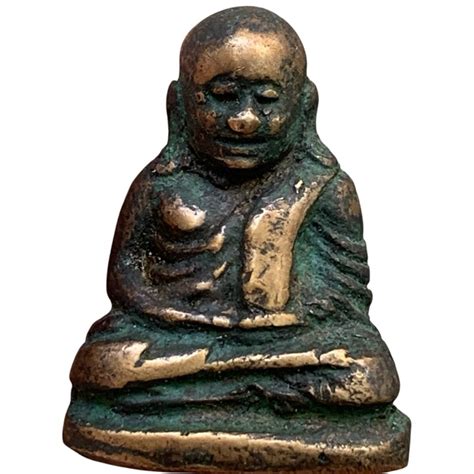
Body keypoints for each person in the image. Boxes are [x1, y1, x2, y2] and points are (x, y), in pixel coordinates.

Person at [64, 7, 410, 472]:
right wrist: (189, 320)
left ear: (305, 105)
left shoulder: (324, 188)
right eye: (223, 97)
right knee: (104, 364)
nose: (244, 120)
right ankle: (246, 391)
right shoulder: (161, 185)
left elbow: (349, 298)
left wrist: (281, 324)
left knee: (368, 374)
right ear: (179, 104)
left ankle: (207, 394)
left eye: (266, 99)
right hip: (179, 337)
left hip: (288, 344)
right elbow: (125, 280)